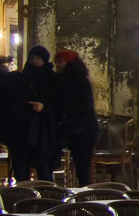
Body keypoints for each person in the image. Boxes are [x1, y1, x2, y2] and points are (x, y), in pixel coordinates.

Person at [50, 49, 99, 187]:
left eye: (60, 62)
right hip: (69, 129)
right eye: (56, 62)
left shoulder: (80, 82)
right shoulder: (59, 81)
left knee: (82, 167)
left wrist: (64, 109)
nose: (57, 65)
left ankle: (84, 195)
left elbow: (85, 106)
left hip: (83, 131)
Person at [14, 46, 59, 183]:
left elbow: (57, 103)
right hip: (24, 128)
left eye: (37, 58)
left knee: (44, 168)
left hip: (43, 131)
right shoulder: (23, 78)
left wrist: (43, 107)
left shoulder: (52, 79)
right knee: (22, 168)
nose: (34, 61)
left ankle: (49, 197)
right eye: (32, 58)